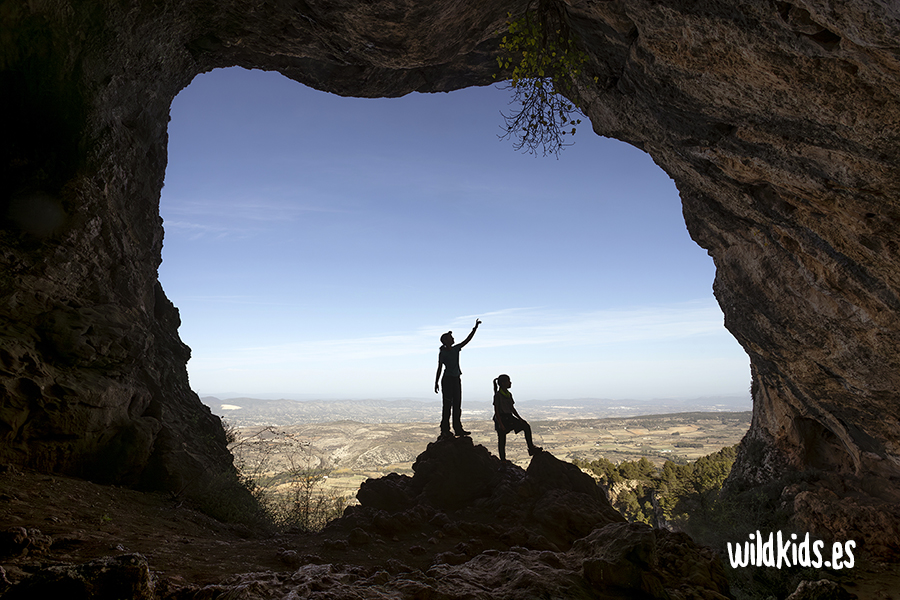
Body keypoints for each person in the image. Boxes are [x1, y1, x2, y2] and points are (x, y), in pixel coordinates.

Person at [434, 318, 481, 438]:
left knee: (457, 406)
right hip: (448, 380)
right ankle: (445, 429)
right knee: (447, 405)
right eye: (451, 337)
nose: (453, 339)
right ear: (446, 341)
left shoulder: (455, 349)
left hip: (455, 379)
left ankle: (458, 429)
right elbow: (439, 368)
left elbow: (468, 340)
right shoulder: (443, 353)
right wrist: (436, 382)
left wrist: (475, 328)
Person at [492, 374, 541, 461]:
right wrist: (500, 424)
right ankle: (503, 461)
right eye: (508, 381)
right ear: (503, 383)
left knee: (526, 426)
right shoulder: (498, 396)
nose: (510, 383)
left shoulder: (508, 394)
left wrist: (520, 419)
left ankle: (531, 448)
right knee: (502, 440)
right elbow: (496, 411)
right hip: (502, 419)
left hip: (509, 417)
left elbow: (512, 408)